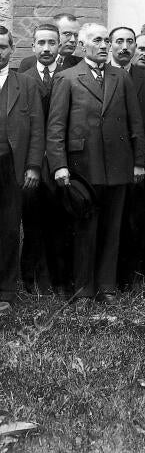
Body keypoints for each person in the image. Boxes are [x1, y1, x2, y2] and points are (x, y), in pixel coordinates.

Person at [46, 23, 145, 303]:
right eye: (98, 40)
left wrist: (137, 161)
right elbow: (55, 128)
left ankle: (107, 286)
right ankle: (84, 290)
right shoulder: (67, 78)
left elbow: (134, 121)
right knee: (84, 230)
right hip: (82, 167)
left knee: (113, 228)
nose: (104, 46)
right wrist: (59, 165)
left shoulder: (120, 77)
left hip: (117, 164)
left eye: (106, 41)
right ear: (82, 45)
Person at [109, 26, 145, 284]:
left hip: (139, 160)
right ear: (111, 46)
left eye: (130, 42)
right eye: (119, 41)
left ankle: (129, 277)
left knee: (134, 218)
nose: (126, 47)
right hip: (108, 160)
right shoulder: (104, 74)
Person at [21, 24, 70, 295]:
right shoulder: (23, 78)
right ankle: (30, 278)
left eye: (52, 43)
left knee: (60, 222)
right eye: (41, 43)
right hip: (32, 162)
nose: (47, 48)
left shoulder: (69, 77)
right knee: (32, 221)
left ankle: (59, 280)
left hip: (60, 161)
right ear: (33, 47)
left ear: (59, 45)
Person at [0, 26, 44, 316]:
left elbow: (38, 128)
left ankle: (5, 291)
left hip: (10, 166)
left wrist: (33, 166)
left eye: (2, 46)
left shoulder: (26, 84)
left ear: (12, 50)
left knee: (7, 228)